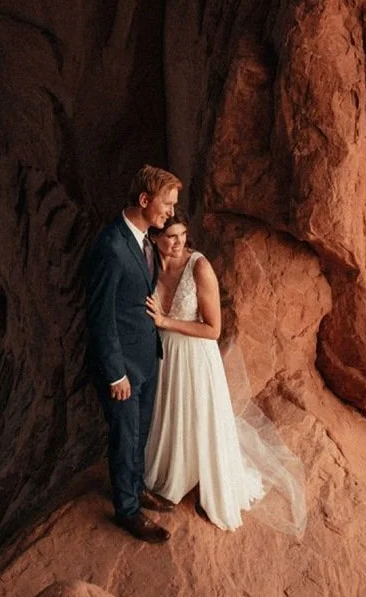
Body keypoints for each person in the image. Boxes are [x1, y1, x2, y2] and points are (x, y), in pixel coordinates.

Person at [144, 215, 306, 535]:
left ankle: (210, 483)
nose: (177, 243)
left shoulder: (199, 267)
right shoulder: (149, 264)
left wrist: (166, 323)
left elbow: (213, 329)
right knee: (171, 417)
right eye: (169, 237)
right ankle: (172, 475)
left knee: (199, 419)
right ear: (153, 238)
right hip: (165, 358)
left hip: (195, 357)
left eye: (182, 235)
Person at [85, 164, 182, 542]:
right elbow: (100, 316)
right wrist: (115, 374)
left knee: (139, 431)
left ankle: (136, 487)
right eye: (167, 204)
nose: (171, 213)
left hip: (145, 357)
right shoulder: (111, 247)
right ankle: (127, 510)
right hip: (122, 366)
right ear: (144, 200)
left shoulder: (144, 240)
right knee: (124, 436)